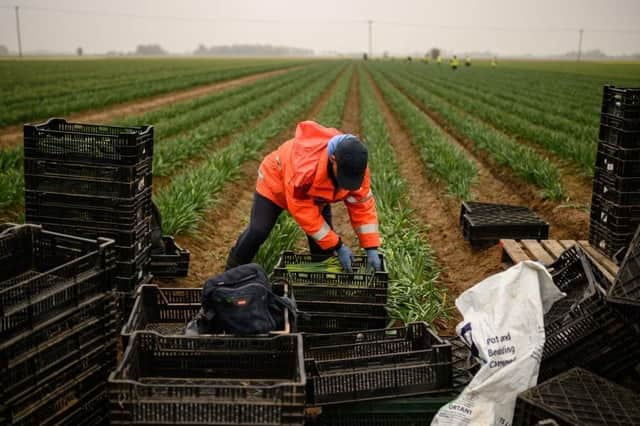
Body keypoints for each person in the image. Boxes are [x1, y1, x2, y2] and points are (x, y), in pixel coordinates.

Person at [225, 121, 382, 273]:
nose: (347, 183)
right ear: (333, 159)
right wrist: (338, 245)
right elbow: (304, 213)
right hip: (275, 182)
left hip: (317, 195)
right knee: (259, 229)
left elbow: (362, 205)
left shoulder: (356, 165)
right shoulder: (305, 171)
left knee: (323, 248)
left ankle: (319, 287)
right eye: (343, 176)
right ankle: (232, 271)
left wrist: (371, 247)